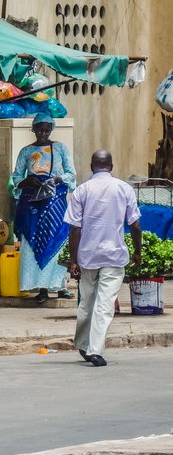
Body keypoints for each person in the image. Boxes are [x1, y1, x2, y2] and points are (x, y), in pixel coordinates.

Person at [65, 151, 142, 367]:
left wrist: (73, 260)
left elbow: (74, 228)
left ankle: (84, 345)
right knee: (104, 304)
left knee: (87, 302)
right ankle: (94, 350)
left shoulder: (82, 190)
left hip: (88, 255)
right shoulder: (124, 188)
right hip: (114, 255)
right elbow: (135, 225)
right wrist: (138, 251)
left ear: (91, 166)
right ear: (112, 165)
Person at [11, 113, 77, 303]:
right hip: (32, 202)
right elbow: (16, 177)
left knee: (57, 240)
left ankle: (60, 285)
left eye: (47, 129)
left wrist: (56, 179)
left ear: (51, 130)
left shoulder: (60, 148)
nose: (43, 133)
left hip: (55, 200)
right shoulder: (25, 151)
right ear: (33, 129)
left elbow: (71, 174)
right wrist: (28, 181)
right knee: (33, 242)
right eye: (40, 129)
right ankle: (41, 289)